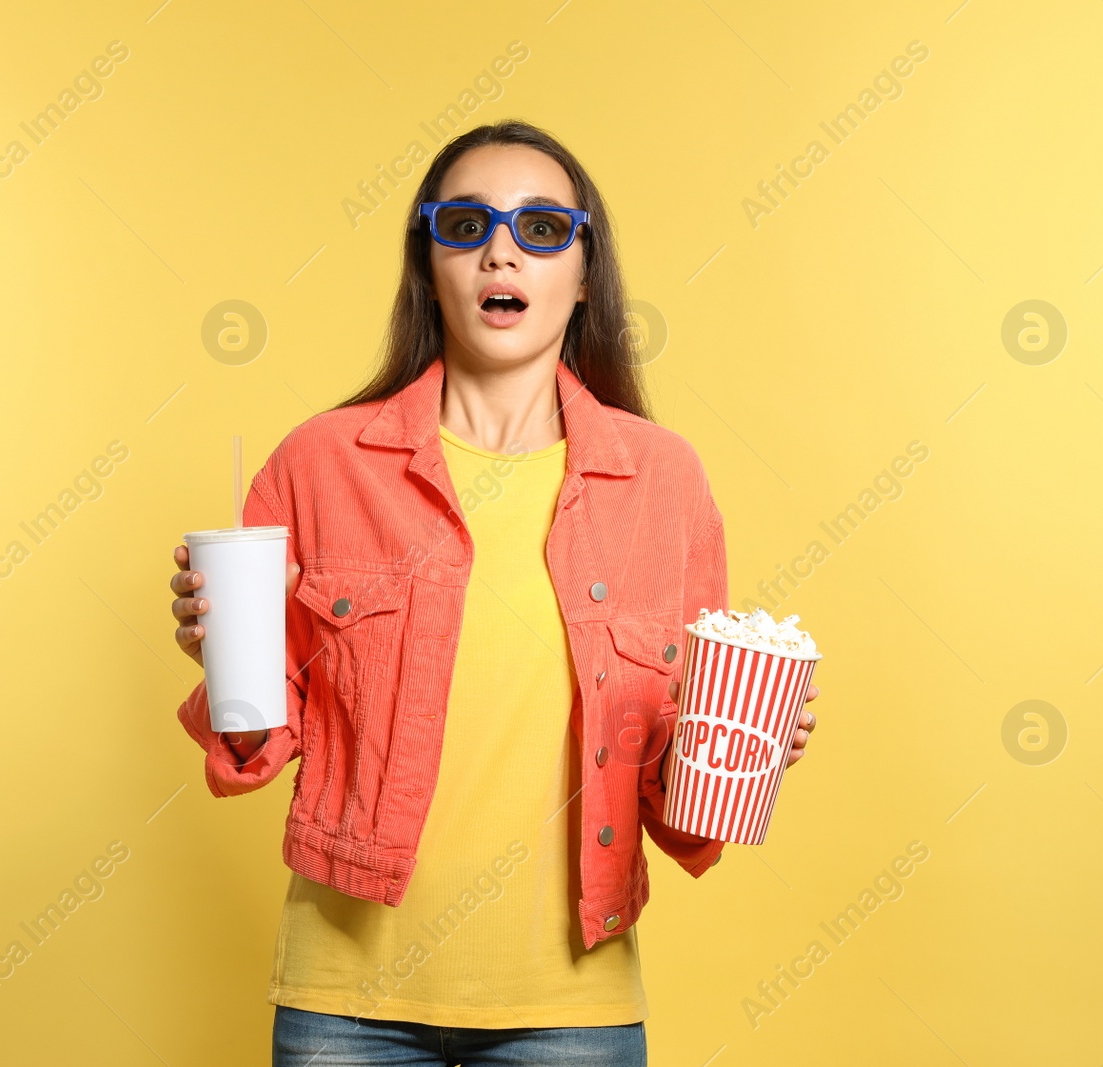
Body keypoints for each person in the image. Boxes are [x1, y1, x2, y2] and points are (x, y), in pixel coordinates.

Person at [171, 119, 821, 1067]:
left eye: (543, 228)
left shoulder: (664, 483)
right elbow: (259, 745)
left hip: (573, 1008)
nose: (502, 250)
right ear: (427, 261)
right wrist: (224, 654)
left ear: (585, 272)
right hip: (346, 1003)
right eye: (466, 224)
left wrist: (742, 747)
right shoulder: (320, 464)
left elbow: (676, 809)